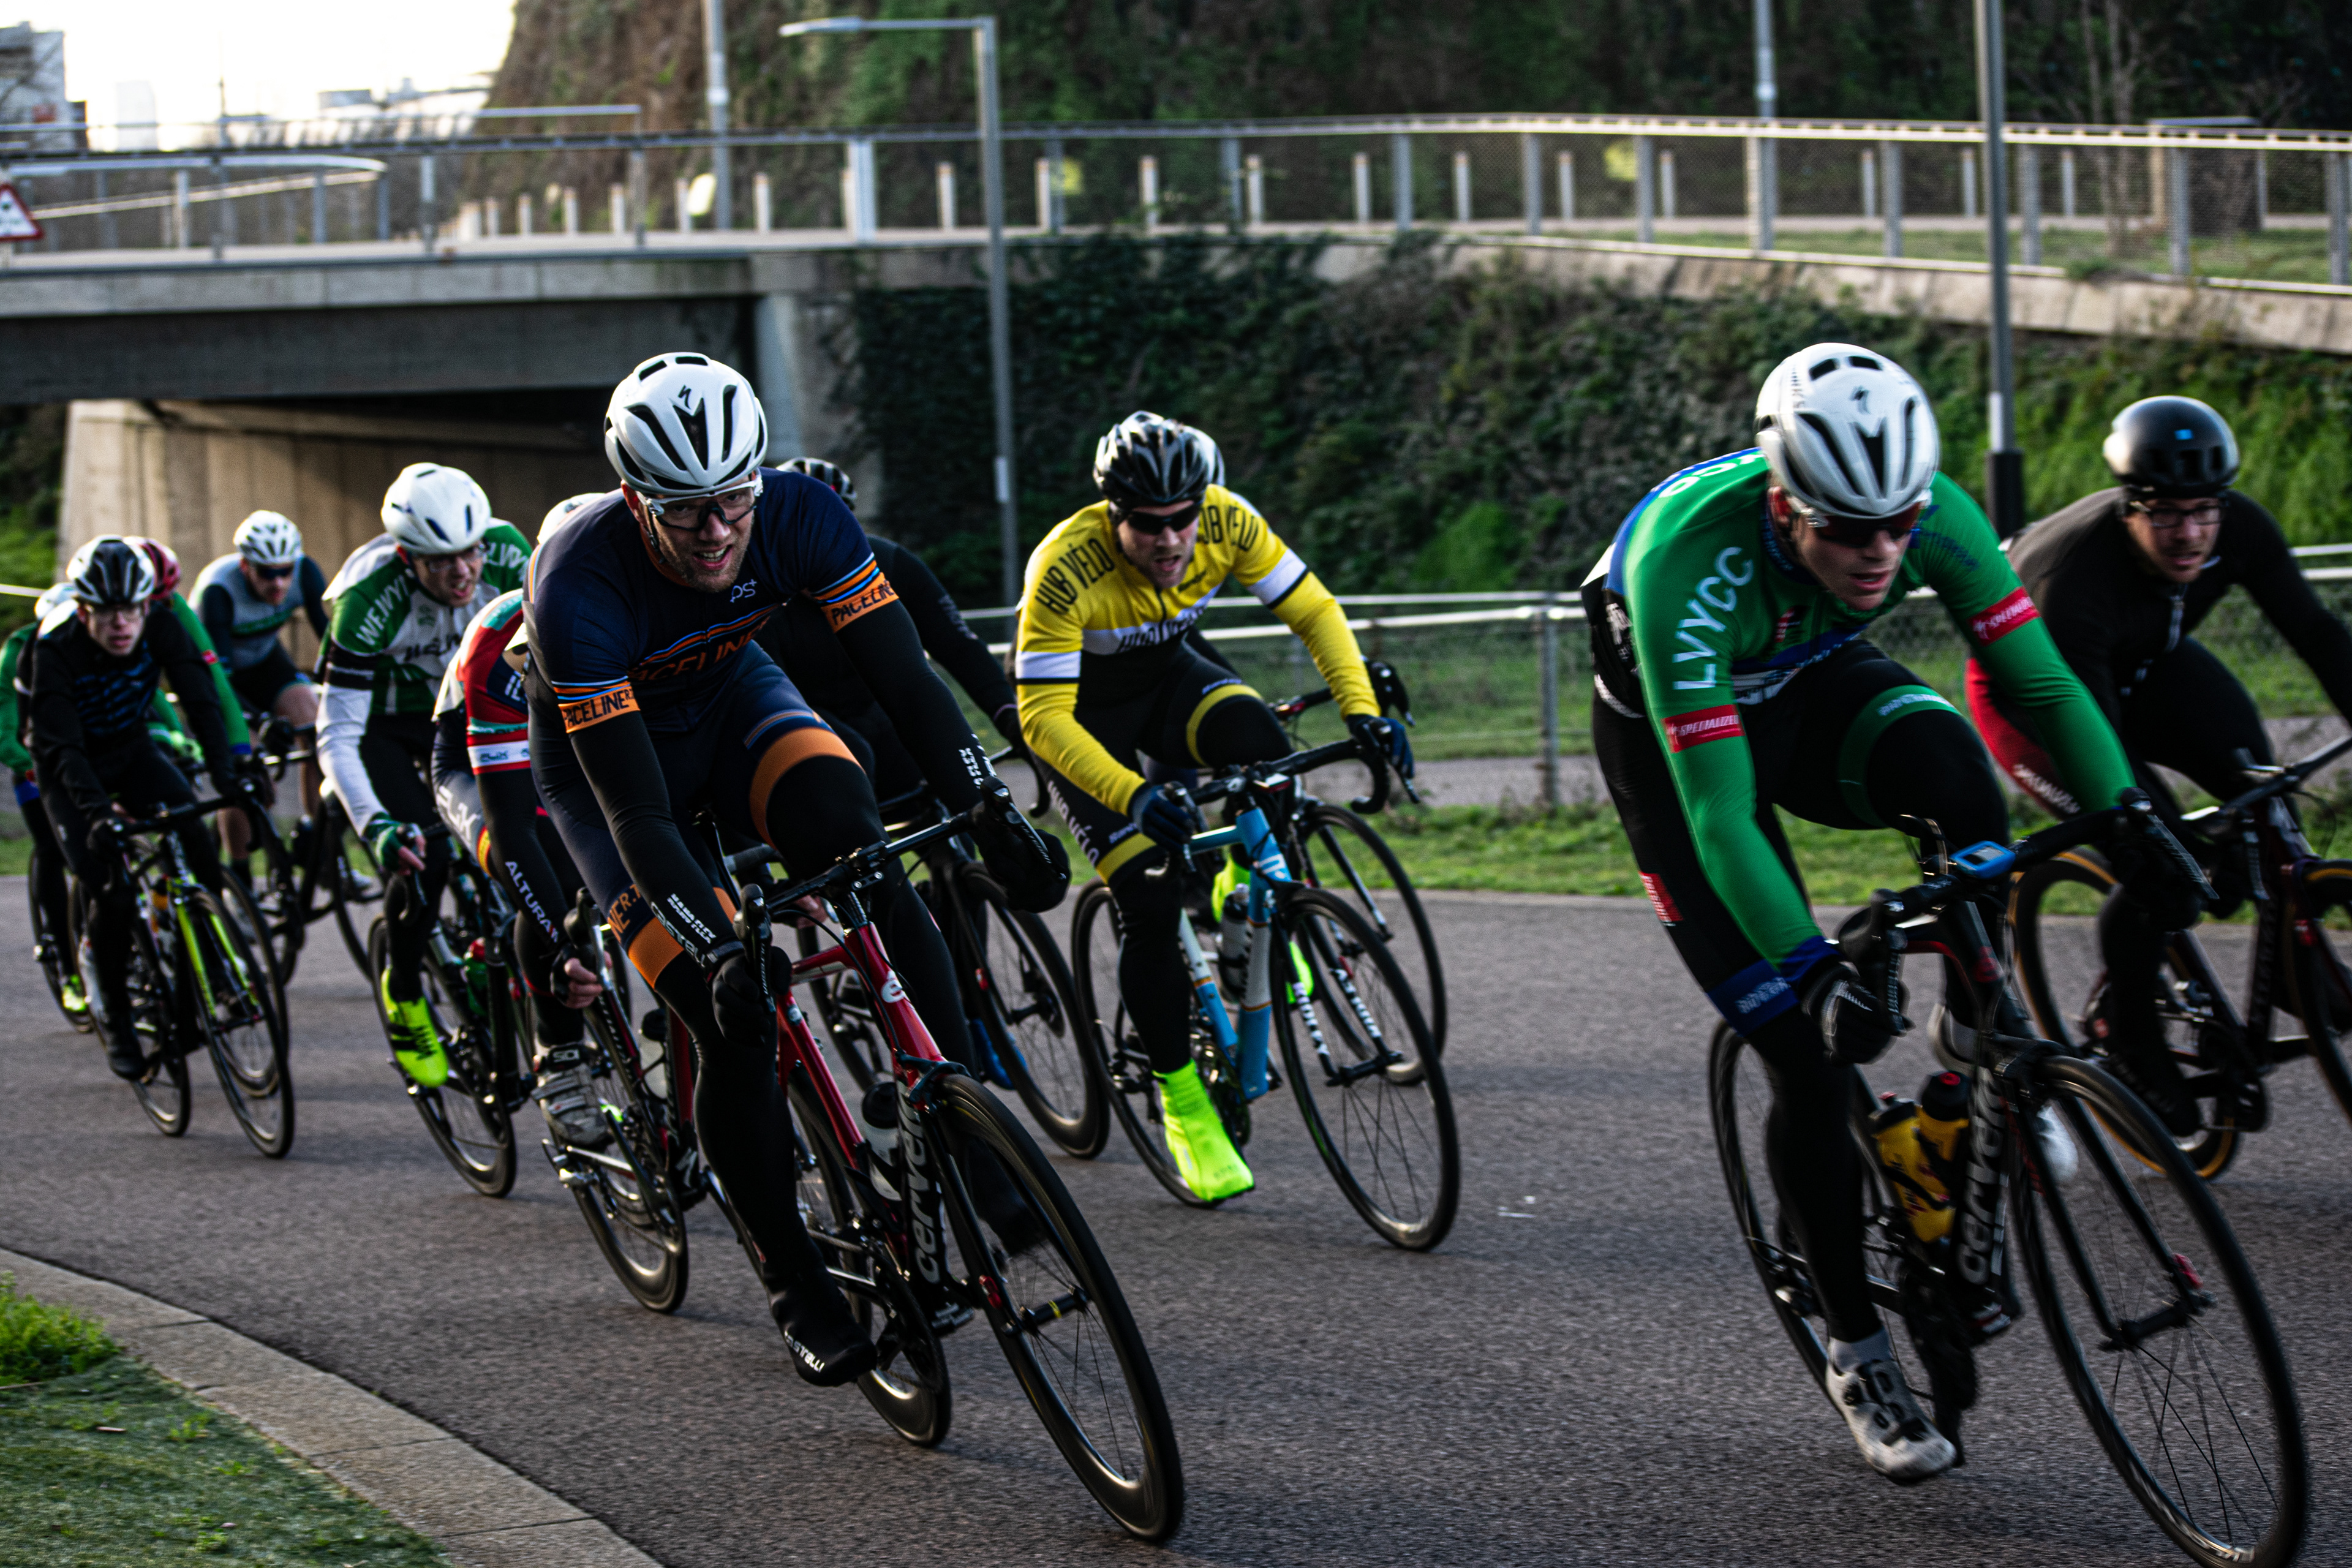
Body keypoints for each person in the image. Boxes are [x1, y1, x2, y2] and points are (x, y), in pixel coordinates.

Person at [1581, 344, 2203, 1485]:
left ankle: (1980, 1036)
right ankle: (1857, 1351)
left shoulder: (1932, 515)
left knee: (1957, 774)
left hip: (1810, 684)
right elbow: (1722, 815)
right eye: (1849, 531)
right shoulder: (1687, 563)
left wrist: (2129, 818)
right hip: (1683, 759)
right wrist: (1814, 968)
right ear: (1786, 503)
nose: (1881, 552)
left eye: (1899, 525)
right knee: (1807, 1059)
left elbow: (2042, 685)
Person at [524, 352, 1066, 1387]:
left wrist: (988, 810)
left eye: (733, 499)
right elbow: (638, 813)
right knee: (728, 1015)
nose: (716, 530)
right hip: (611, 777)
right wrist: (720, 950)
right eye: (684, 511)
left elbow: (908, 682)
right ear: (634, 499)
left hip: (734, 701)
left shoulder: (804, 514)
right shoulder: (577, 586)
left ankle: (962, 1128)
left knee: (859, 847)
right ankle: (790, 1277)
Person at [1014, 410, 1412, 1204]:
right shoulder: (1065, 564)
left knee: (1264, 746)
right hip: (1083, 727)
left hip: (1168, 684)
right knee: (1149, 900)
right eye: (1148, 525)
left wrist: (1362, 710)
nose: (1170, 541)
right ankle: (1185, 1105)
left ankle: (1241, 890)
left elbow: (1314, 609)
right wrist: (1133, 794)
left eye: (1182, 520)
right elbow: (1042, 718)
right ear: (1114, 515)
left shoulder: (1228, 520)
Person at [1969, 396, 2352, 1136]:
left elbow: (2316, 631)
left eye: (2204, 511)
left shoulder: (2238, 527)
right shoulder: (2074, 578)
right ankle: (2130, 1032)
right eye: (2167, 514)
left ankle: (2296, 969)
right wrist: (2163, 837)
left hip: (2148, 661)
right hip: (2039, 701)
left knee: (2262, 792)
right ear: (2129, 508)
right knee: (2157, 860)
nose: (2191, 533)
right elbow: (2099, 746)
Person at [320, 464, 530, 1088]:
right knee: (425, 856)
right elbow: (336, 734)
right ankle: (405, 990)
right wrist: (376, 826)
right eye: (440, 562)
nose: (462, 572)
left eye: (469, 553)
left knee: (525, 828)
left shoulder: (509, 552)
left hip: (465, 708)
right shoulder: (366, 598)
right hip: (386, 725)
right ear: (406, 557)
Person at [25, 538, 241, 1079]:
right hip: (70, 770)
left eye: (130, 610)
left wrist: (228, 773)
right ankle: (117, 1019)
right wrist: (99, 814)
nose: (120, 624)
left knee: (196, 839)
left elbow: (201, 699)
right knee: (114, 891)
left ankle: (209, 968)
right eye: (105, 612)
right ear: (83, 611)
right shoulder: (53, 649)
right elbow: (63, 750)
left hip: (131, 749)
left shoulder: (163, 626)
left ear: (147, 605)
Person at [431, 516, 609, 1145]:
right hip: (480, 764)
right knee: (554, 879)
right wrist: (562, 942)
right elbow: (512, 829)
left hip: (575, 747)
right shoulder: (499, 641)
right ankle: (559, 1057)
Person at [753, 457, 1023, 817]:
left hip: (877, 712)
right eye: (797, 534)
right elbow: (768, 696)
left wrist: (1009, 717)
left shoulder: (892, 563)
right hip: (809, 716)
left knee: (927, 751)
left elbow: (960, 648)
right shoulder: (757, 587)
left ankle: (948, 848)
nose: (814, 545)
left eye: (829, 529)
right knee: (850, 758)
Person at [195, 511, 331, 857]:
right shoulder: (219, 592)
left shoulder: (306, 571)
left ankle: (320, 846)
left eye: (286, 572)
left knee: (319, 731)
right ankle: (241, 874)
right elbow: (221, 684)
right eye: (267, 574)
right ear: (245, 566)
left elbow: (331, 644)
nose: (279, 584)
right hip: (222, 680)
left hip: (267, 663)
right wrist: (260, 721)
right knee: (249, 772)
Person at [3, 582, 84, 1023]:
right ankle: (69, 968)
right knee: (53, 848)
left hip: (81, 755)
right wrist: (34, 764)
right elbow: (7, 730)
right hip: (35, 762)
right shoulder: (18, 654)